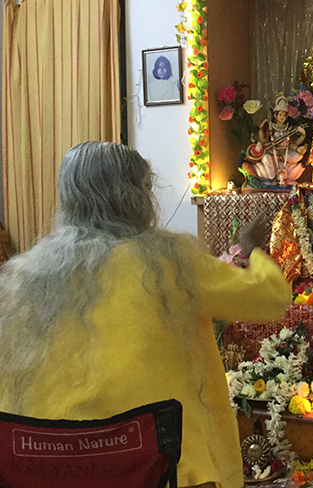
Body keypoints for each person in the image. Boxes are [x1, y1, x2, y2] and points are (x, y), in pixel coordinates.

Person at [0, 142, 292, 488]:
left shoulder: (22, 274)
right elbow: (270, 298)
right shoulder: (171, 262)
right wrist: (252, 248)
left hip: (42, 467)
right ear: (137, 195)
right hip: (161, 469)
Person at [242, 95, 306, 186]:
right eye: (280, 114)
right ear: (275, 115)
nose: (282, 117)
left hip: (284, 153)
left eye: (284, 115)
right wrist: (260, 135)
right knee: (266, 158)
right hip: (272, 152)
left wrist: (302, 138)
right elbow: (264, 140)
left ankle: (283, 178)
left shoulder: (288, 129)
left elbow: (291, 144)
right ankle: (272, 178)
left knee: (298, 156)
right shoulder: (270, 126)